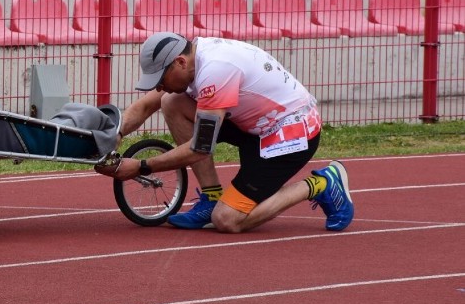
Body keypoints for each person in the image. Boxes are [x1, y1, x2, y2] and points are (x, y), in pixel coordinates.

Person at [95, 32, 354, 233]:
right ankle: (211, 197)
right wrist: (112, 137)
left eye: (160, 79)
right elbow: (145, 105)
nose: (159, 85)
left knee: (228, 220)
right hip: (253, 124)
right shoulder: (193, 58)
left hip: (290, 134)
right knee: (171, 101)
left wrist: (141, 167)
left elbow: (200, 148)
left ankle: (322, 184)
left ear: (180, 62)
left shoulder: (216, 71)